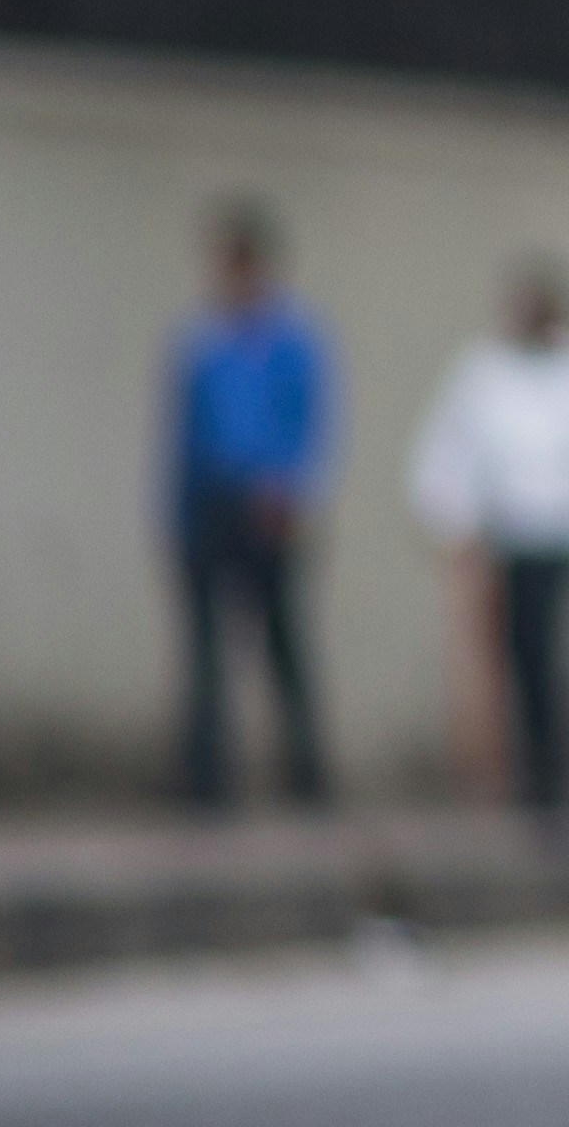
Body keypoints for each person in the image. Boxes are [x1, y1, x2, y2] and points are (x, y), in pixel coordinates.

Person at [406, 256, 569, 830]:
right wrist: (455, 523)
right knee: (516, 660)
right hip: (509, 544)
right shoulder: (484, 374)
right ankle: (529, 773)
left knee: (552, 660)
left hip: (563, 544)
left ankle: (559, 777)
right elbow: (449, 454)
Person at [161, 198, 335, 812]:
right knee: (205, 651)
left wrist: (289, 491)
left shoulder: (292, 342)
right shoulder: (202, 342)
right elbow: (183, 436)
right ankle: (208, 782)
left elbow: (309, 427)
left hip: (269, 508)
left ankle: (307, 776)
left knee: (282, 645)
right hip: (209, 508)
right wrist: (175, 518)